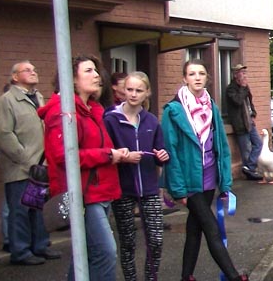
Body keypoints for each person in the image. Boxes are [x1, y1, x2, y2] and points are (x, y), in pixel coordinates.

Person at [42, 56, 127, 279]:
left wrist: (116, 154)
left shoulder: (93, 109)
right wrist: (108, 155)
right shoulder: (63, 112)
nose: (97, 75)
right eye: (89, 70)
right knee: (105, 253)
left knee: (88, 256)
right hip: (84, 195)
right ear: (72, 79)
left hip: (100, 192)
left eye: (96, 70)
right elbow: (64, 155)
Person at [161, 60, 247, 281]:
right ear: (184, 78)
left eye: (201, 73)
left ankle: (186, 276)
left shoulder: (212, 106)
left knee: (195, 227)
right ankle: (234, 276)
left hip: (209, 175)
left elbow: (221, 146)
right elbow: (171, 151)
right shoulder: (173, 110)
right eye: (192, 74)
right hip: (189, 180)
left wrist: (225, 182)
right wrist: (178, 190)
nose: (197, 78)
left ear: (207, 77)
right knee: (211, 227)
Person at [103, 71, 169, 281]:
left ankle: (151, 277)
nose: (133, 94)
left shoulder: (151, 121)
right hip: (122, 188)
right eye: (129, 89)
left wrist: (162, 155)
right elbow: (104, 153)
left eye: (138, 90)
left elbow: (160, 153)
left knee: (156, 240)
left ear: (146, 93)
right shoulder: (110, 119)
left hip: (149, 188)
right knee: (128, 241)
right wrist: (123, 157)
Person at [0, 61, 56, 265]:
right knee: (20, 211)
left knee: (36, 208)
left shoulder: (38, 97)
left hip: (39, 167)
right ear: (15, 77)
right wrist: (24, 157)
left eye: (34, 69)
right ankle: (20, 251)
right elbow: (2, 134)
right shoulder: (7, 100)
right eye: (27, 70)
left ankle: (40, 246)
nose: (33, 72)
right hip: (20, 167)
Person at [225, 64, 262, 180]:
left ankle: (249, 167)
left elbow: (249, 101)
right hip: (240, 123)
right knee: (245, 149)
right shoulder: (231, 89)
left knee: (258, 144)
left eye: (245, 73)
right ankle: (249, 171)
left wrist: (253, 112)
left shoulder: (245, 87)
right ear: (236, 75)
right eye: (242, 73)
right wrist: (242, 88)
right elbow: (238, 101)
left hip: (249, 121)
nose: (245, 75)